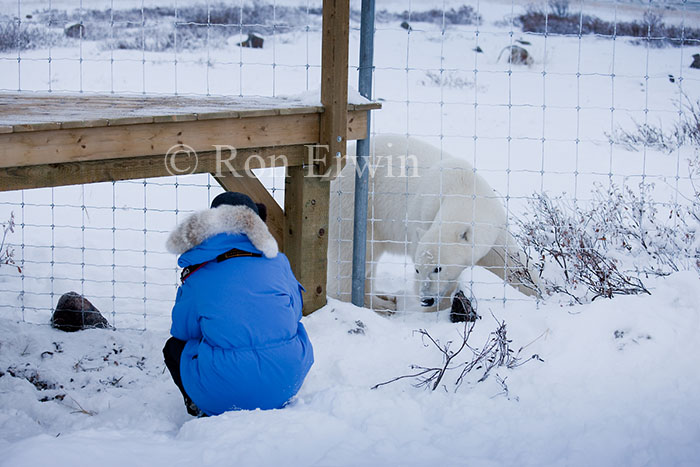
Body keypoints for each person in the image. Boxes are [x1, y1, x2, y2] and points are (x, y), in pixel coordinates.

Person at [162, 192, 314, 416]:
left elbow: (183, 330)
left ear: (208, 223)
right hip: (285, 382)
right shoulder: (278, 262)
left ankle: (200, 404)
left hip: (222, 393)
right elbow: (295, 312)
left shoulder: (199, 272)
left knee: (174, 347)